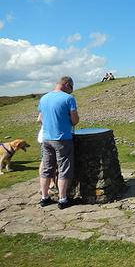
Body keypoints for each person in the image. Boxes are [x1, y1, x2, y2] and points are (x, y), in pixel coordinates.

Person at [37, 76, 79, 209]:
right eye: (71, 88)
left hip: (46, 139)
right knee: (63, 169)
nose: (71, 91)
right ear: (66, 84)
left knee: (46, 169)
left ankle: (44, 198)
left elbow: (40, 119)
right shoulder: (68, 99)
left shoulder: (44, 98)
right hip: (62, 139)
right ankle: (63, 199)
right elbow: (75, 121)